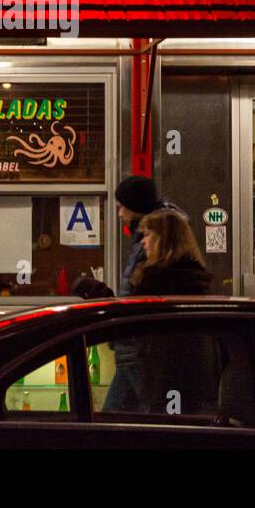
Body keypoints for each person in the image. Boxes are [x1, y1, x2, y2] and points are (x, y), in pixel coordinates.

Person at [128, 207, 216, 415]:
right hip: (198, 375)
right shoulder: (197, 278)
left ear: (164, 240)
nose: (143, 242)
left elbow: (132, 323)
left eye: (148, 234)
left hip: (162, 375)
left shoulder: (154, 281)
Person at [102, 176, 163, 414]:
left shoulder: (150, 242)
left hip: (137, 346)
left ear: (135, 206)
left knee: (130, 412)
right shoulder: (143, 239)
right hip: (133, 346)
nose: (119, 213)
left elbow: (139, 295)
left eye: (121, 206)